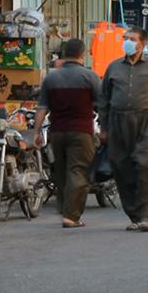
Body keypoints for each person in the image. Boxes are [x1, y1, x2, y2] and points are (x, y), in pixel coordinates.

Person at [99, 27, 148, 233]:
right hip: (119, 122)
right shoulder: (113, 67)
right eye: (125, 38)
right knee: (122, 168)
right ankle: (134, 214)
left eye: (131, 39)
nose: (127, 41)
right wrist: (103, 127)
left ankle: (147, 216)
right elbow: (104, 99)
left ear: (142, 44)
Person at [34, 38, 101, 229]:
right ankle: (71, 216)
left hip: (57, 133)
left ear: (64, 54)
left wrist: (37, 132)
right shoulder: (90, 77)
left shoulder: (51, 78)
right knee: (78, 171)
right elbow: (102, 105)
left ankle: (66, 209)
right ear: (83, 54)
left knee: (62, 172)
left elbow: (42, 108)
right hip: (81, 132)